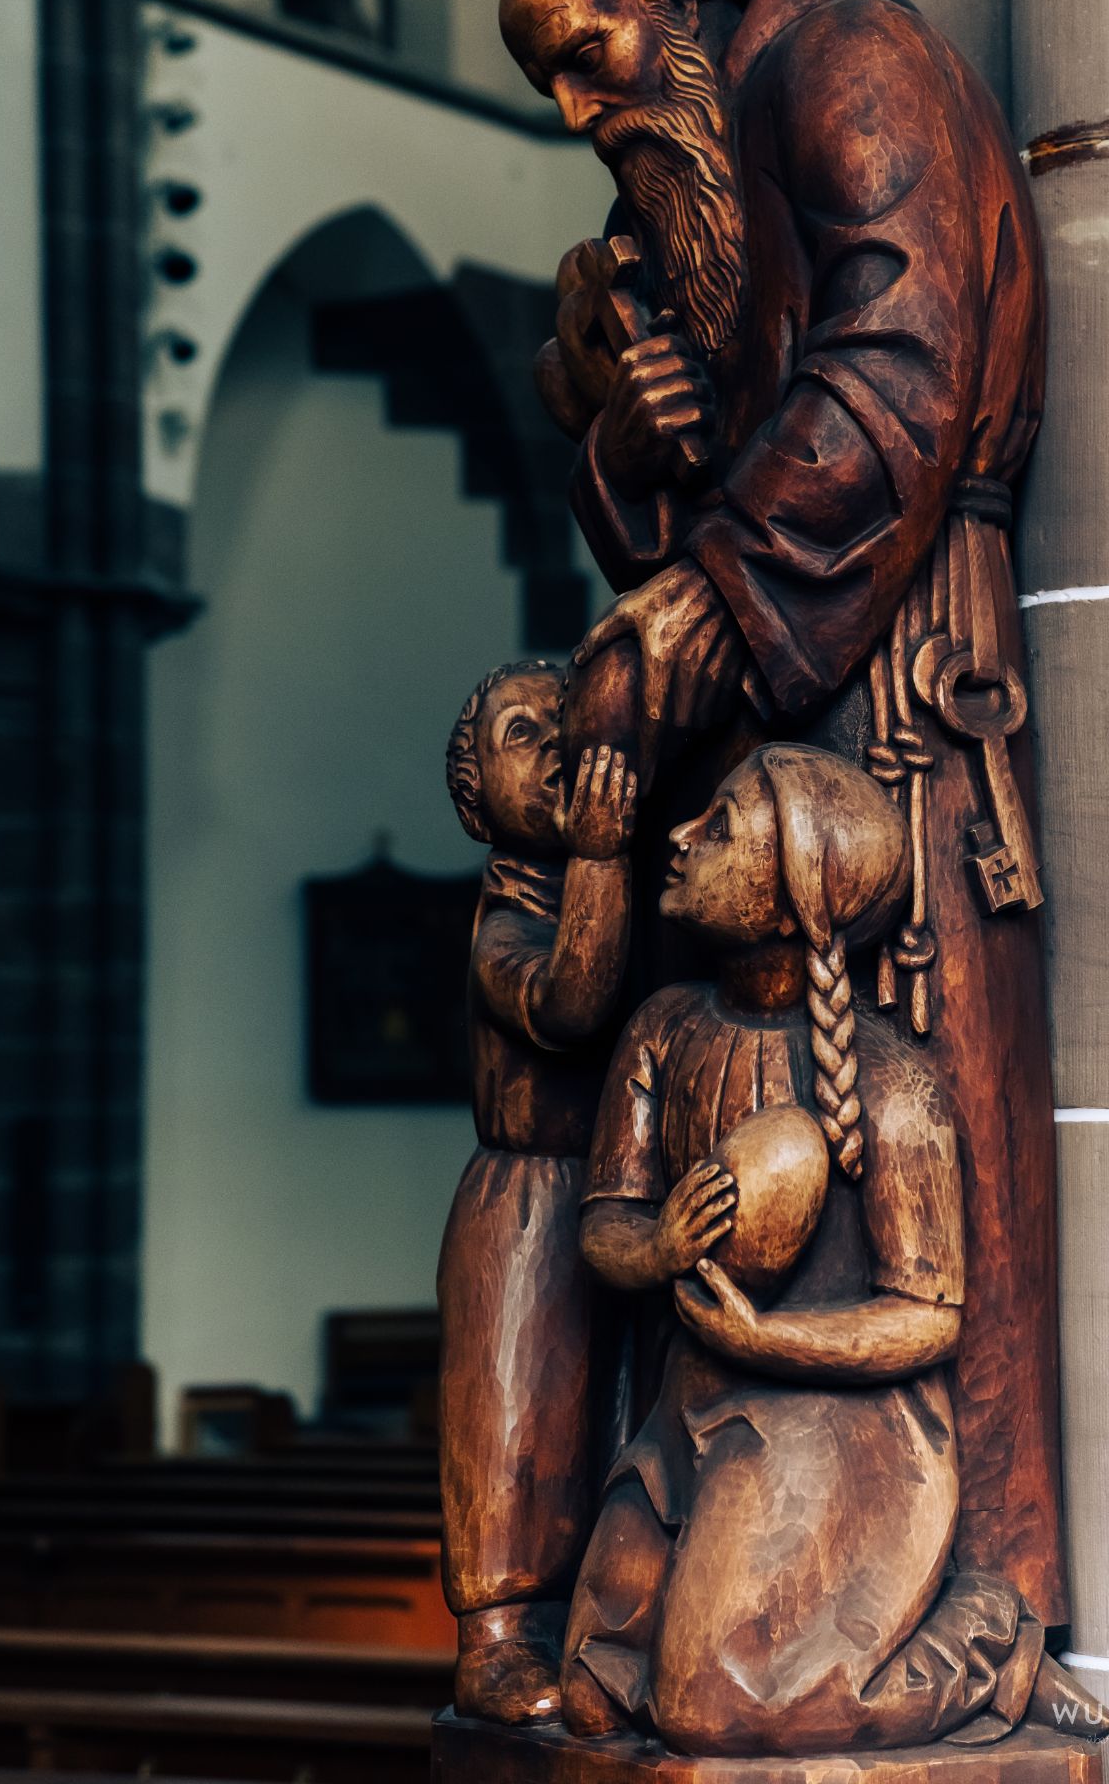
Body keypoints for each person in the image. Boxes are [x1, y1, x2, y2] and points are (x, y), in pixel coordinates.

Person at [499, 0, 1065, 1624]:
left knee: (928, 1091)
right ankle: (748, 1579)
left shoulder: (844, 61)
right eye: (555, 93)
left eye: (589, 58)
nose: (585, 114)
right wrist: (625, 432)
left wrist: (709, 591)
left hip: (896, 673)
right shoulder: (709, 159)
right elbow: (710, 467)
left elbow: (897, 368)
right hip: (782, 663)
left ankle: (972, 1582)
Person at [560, 745, 1109, 1757]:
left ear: (793, 901)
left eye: (721, 826)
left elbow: (927, 1315)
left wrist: (769, 1337)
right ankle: (719, 1622)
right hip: (691, 1408)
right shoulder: (664, 1031)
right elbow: (604, 1223)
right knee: (590, 1689)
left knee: (707, 1707)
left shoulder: (895, 1088)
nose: (681, 834)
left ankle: (987, 1642)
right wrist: (658, 1243)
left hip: (842, 1430)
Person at [439, 661, 637, 1723]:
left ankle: (602, 1615)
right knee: (515, 1417)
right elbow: (569, 1002)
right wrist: (601, 854)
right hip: (521, 1199)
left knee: (607, 1413)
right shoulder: (502, 923)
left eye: (567, 720)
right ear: (475, 796)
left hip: (612, 1189)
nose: (557, 738)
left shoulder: (621, 887)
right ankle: (500, 1634)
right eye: (524, 730)